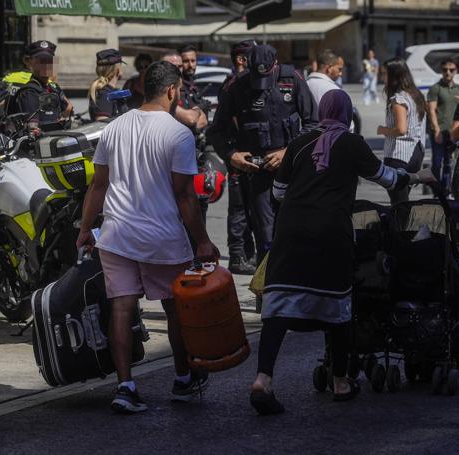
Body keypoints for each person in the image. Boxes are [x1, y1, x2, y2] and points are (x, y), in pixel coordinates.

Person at [250, 89, 436, 415]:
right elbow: (388, 178)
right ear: (347, 114)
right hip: (331, 232)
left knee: (278, 306)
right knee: (337, 307)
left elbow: (278, 192)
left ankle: (263, 380)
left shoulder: (299, 143)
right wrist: (417, 175)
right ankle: (340, 382)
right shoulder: (352, 144)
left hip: (290, 232)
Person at [76, 61, 220, 414]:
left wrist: (84, 229)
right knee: (175, 310)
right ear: (172, 91)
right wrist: (202, 240)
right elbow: (185, 196)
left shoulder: (113, 128)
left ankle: (125, 386)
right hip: (163, 238)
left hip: (116, 235)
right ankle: (183, 379)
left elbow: (98, 185)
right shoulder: (178, 134)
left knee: (122, 309)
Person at [207, 44, 317, 267]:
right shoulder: (235, 87)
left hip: (291, 170)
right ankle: (266, 291)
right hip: (257, 172)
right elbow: (216, 131)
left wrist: (288, 152)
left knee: (296, 230)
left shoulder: (292, 79)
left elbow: (314, 124)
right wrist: (231, 155)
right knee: (265, 236)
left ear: (274, 65)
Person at [221, 40, 257, 275]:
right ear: (242, 59)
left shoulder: (246, 83)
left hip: (246, 155)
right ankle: (237, 256)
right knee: (239, 209)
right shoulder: (234, 85)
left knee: (249, 208)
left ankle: (247, 252)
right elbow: (231, 123)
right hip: (238, 155)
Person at [376, 58, 427, 205]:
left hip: (399, 156)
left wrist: (382, 130)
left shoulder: (399, 100)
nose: (382, 77)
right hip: (416, 154)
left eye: (385, 74)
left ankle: (402, 227)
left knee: (399, 204)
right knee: (403, 201)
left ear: (395, 76)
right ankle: (403, 226)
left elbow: (401, 129)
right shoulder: (416, 96)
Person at [8, 40, 73, 129]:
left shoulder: (54, 88)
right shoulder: (29, 92)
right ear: (30, 62)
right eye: (41, 60)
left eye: (49, 60)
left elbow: (68, 108)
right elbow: (33, 129)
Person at [427, 58, 459, 191]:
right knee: (437, 163)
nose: (448, 72)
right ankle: (436, 190)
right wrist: (436, 131)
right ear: (441, 71)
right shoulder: (436, 88)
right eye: (445, 70)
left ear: (456, 71)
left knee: (449, 163)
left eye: (451, 70)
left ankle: (445, 189)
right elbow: (431, 110)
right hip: (439, 131)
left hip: (453, 132)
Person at [161, 51, 206, 131]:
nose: (178, 70)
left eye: (180, 66)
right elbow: (191, 119)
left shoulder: (183, 88)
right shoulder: (160, 91)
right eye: (173, 67)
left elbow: (203, 120)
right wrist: (197, 111)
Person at [88, 49, 127, 121]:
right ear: (117, 69)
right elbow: (102, 126)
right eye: (121, 65)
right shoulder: (105, 94)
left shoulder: (106, 92)